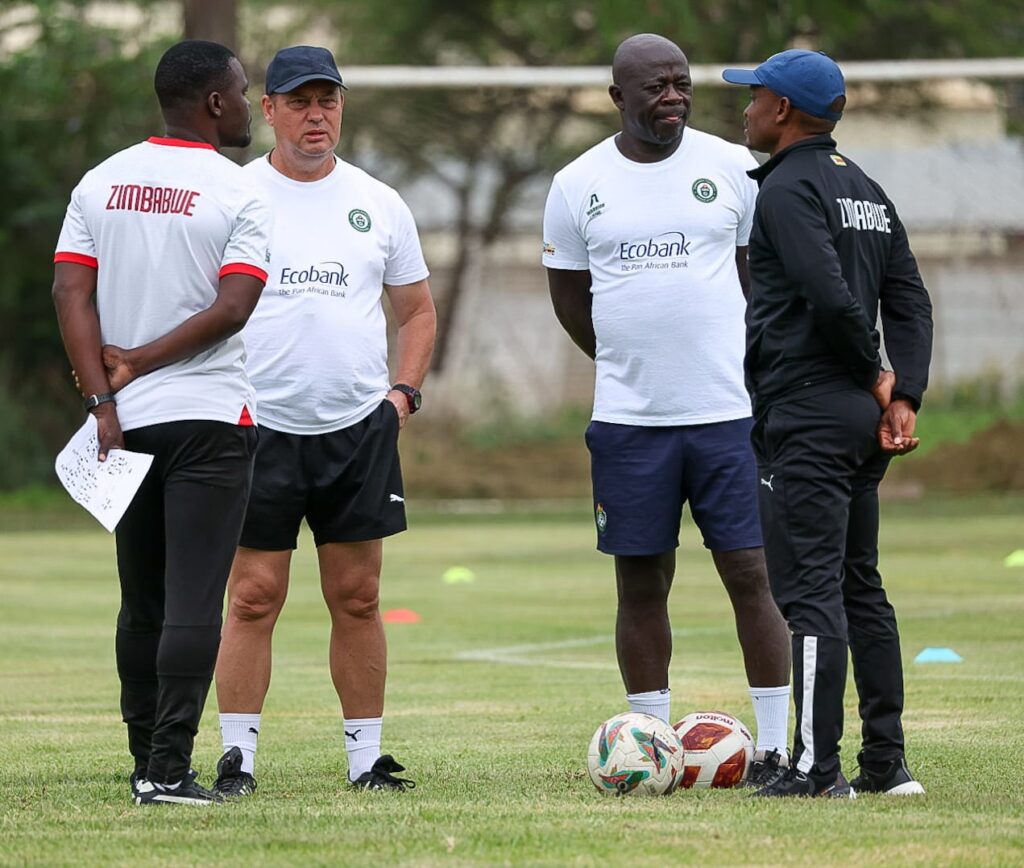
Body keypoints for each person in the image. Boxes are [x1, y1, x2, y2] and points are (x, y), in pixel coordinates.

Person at [542, 33, 793, 779]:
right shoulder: (576, 184)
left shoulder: (733, 167)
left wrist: (741, 369)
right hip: (629, 423)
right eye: (656, 87)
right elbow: (570, 300)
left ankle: (776, 747)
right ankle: (649, 744)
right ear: (618, 97)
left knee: (750, 574)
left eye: (682, 83)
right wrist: (631, 359)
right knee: (641, 583)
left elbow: (758, 281)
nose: (674, 97)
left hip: (727, 416)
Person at [212, 45, 436, 796]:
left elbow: (417, 311)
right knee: (252, 596)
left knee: (359, 596)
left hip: (357, 431)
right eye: (300, 102)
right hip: (257, 427)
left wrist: (402, 395)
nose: (317, 115)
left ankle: (366, 761)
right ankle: (237, 759)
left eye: (328, 100)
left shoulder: (380, 201)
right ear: (268, 110)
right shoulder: (234, 196)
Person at [52, 40, 271, 805]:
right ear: (213, 102)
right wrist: (141, 362)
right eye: (241, 91)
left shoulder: (100, 181)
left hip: (126, 424)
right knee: (193, 601)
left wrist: (102, 399)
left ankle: (143, 760)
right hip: (210, 419)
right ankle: (169, 771)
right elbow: (234, 307)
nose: (247, 105)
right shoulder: (240, 190)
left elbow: (70, 294)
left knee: (141, 600)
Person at [722, 49, 933, 797]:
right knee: (859, 586)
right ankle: (886, 764)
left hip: (810, 413)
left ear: (782, 110)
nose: (745, 108)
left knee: (810, 593)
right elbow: (909, 298)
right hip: (856, 418)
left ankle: (816, 769)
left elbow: (829, 293)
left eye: (754, 96)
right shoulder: (866, 188)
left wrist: (879, 375)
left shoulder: (787, 188)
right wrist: (905, 393)